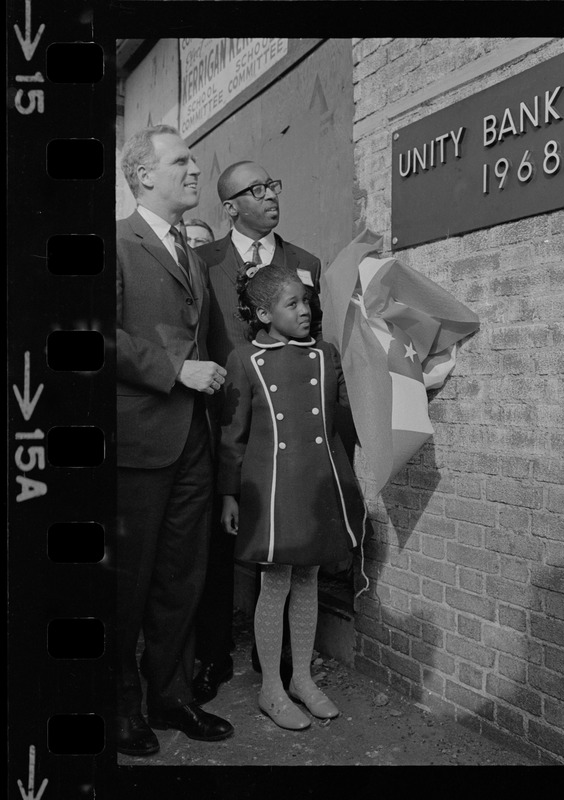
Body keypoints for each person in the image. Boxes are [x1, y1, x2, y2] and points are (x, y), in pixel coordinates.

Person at [116, 124, 233, 756]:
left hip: (195, 440)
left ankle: (170, 696)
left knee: (181, 577)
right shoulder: (114, 242)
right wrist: (171, 370)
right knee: (127, 584)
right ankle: (118, 708)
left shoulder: (191, 252)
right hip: (138, 442)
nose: (194, 170)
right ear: (144, 176)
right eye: (181, 161)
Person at [191, 160, 322, 704]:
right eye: (257, 189)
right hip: (222, 422)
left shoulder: (305, 263)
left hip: (289, 436)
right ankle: (213, 655)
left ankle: (291, 668)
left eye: (275, 185)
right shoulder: (201, 262)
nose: (271, 195)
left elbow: (313, 352)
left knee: (293, 548)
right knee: (219, 547)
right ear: (230, 206)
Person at [217, 264, 365, 729]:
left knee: (309, 580)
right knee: (275, 583)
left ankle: (302, 678)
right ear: (263, 313)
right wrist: (229, 495)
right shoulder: (244, 359)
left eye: (307, 301)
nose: (305, 310)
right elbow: (231, 438)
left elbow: (347, 414)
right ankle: (270, 689)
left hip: (317, 482)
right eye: (292, 303)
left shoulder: (325, 354)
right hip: (275, 488)